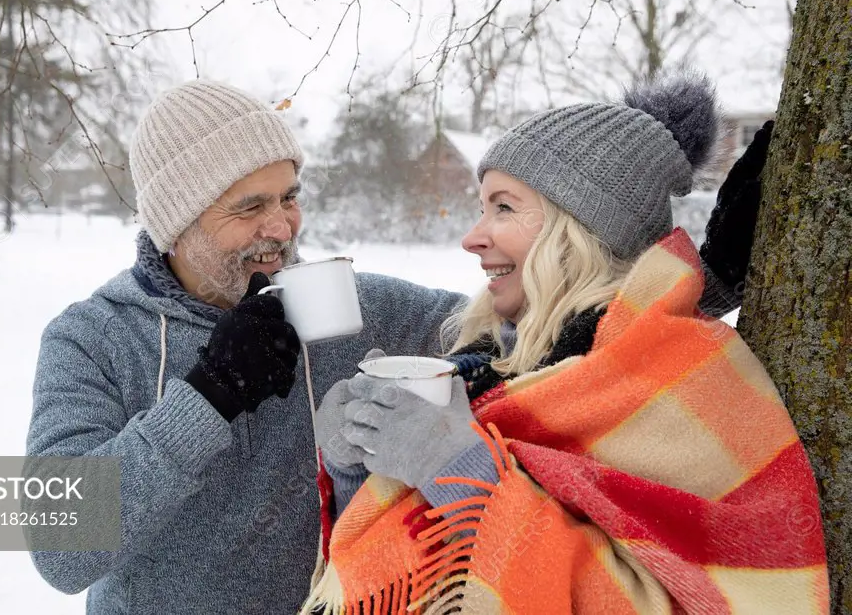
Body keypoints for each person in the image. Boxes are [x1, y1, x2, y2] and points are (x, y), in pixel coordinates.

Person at [26, 79, 766, 614]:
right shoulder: (93, 338)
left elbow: (547, 327)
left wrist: (701, 284)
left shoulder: (327, 304)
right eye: (250, 207)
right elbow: (61, 551)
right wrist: (210, 394)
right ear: (177, 224)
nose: (283, 227)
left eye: (289, 196)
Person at [308, 73, 828, 614]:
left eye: (503, 207)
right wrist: (358, 465)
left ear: (578, 228)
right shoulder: (498, 366)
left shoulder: (684, 385)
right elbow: (407, 571)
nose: (472, 236)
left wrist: (459, 469)